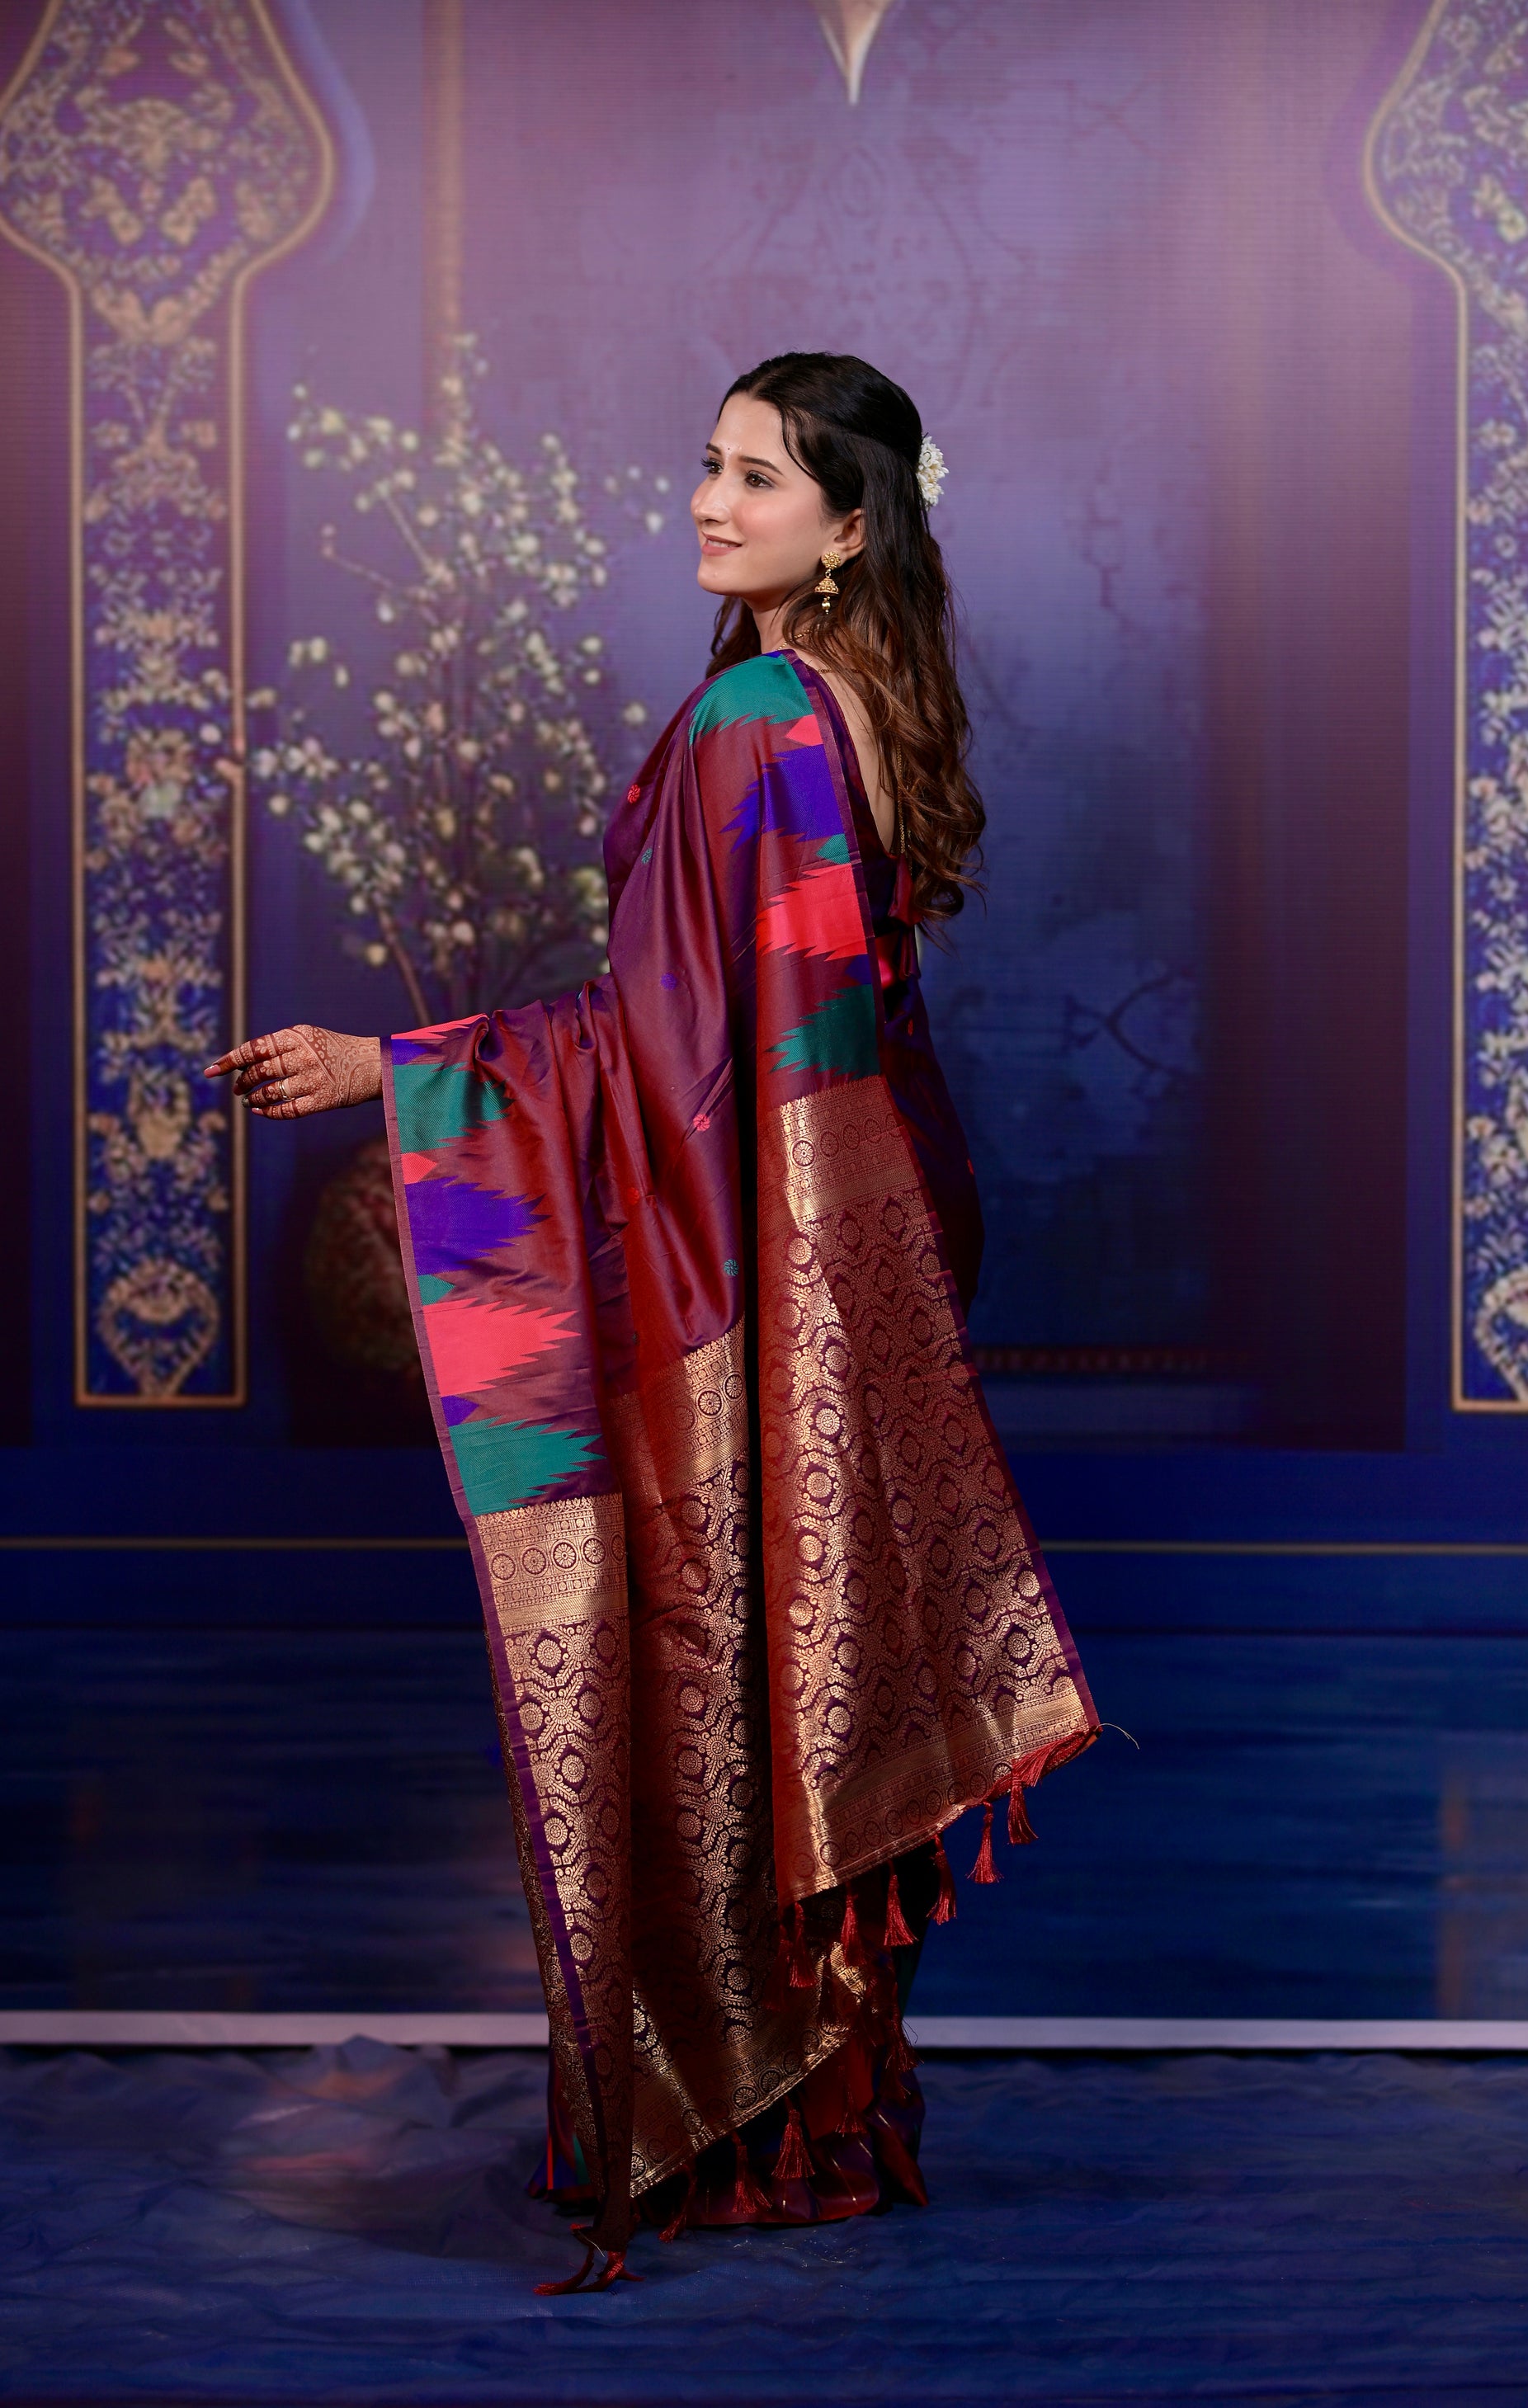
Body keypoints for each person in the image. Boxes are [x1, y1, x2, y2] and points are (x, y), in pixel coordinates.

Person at [206, 351, 1099, 2289]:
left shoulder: (758, 714)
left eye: (760, 476)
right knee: (800, 1636)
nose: (711, 499)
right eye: (707, 460)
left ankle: (738, 2118)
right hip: (868, 1212)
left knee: (719, 1638)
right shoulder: (862, 701)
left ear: (848, 526)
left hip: (766, 1236)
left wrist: (398, 1065)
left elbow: (668, 1054)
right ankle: (814, 2104)